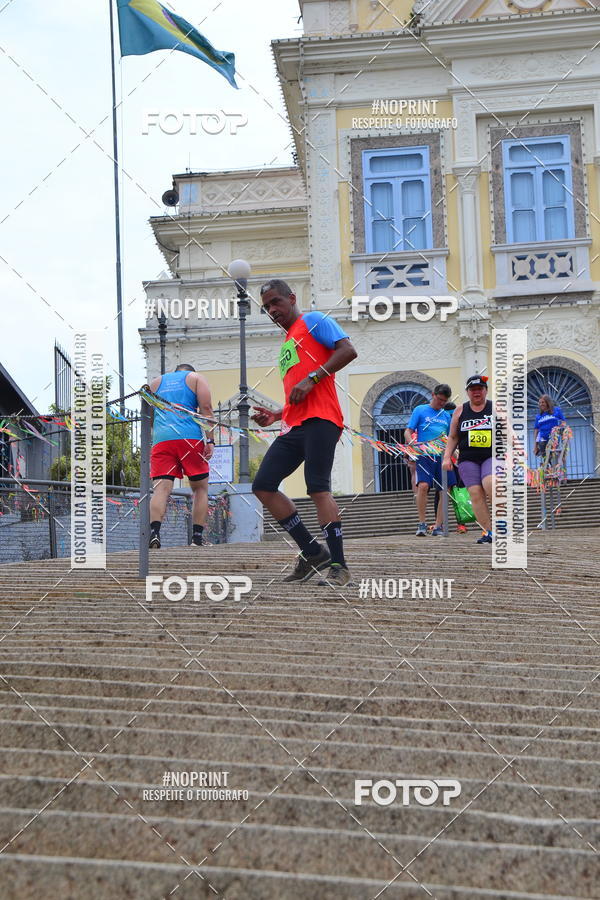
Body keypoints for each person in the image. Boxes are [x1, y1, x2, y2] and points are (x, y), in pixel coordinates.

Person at [251, 279, 357, 587]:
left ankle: (339, 565)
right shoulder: (287, 343)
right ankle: (312, 550)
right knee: (264, 485)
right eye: (266, 307)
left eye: (275, 303)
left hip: (323, 420)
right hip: (294, 424)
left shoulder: (313, 320)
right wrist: (275, 415)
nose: (272, 310)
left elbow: (348, 350)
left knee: (317, 488)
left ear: (292, 298)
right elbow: (298, 394)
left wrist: (313, 377)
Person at [148, 364, 215, 549]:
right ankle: (197, 538)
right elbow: (206, 408)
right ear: (188, 371)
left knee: (160, 489)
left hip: (162, 440)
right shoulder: (195, 378)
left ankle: (154, 532)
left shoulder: (155, 383)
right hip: (190, 438)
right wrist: (210, 440)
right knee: (200, 489)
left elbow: (149, 415)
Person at [442, 374, 493, 544]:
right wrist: (447, 457)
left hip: (492, 455)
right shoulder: (460, 410)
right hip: (468, 458)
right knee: (475, 494)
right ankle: (489, 532)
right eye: (473, 390)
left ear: (486, 391)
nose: (476, 392)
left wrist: (516, 447)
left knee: (491, 483)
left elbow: (507, 429)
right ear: (468, 392)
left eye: (480, 389)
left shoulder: (495, 408)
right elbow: (453, 437)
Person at [405, 385, 456, 536]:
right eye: (440, 399)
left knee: (445, 489)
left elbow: (451, 438)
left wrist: (454, 454)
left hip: (442, 456)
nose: (442, 403)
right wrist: (412, 445)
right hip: (424, 454)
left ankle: (438, 526)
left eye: (444, 401)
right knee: (423, 486)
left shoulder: (446, 415)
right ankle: (421, 523)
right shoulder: (420, 410)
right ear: (433, 395)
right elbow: (408, 431)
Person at [534, 394, 566, 461]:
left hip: (554, 438)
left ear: (547, 402)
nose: (541, 404)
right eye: (539, 403)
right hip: (542, 439)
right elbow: (536, 431)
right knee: (546, 457)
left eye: (543, 402)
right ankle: (548, 466)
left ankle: (554, 466)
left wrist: (558, 428)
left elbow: (563, 422)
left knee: (553, 456)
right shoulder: (538, 416)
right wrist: (535, 446)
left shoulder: (556, 410)